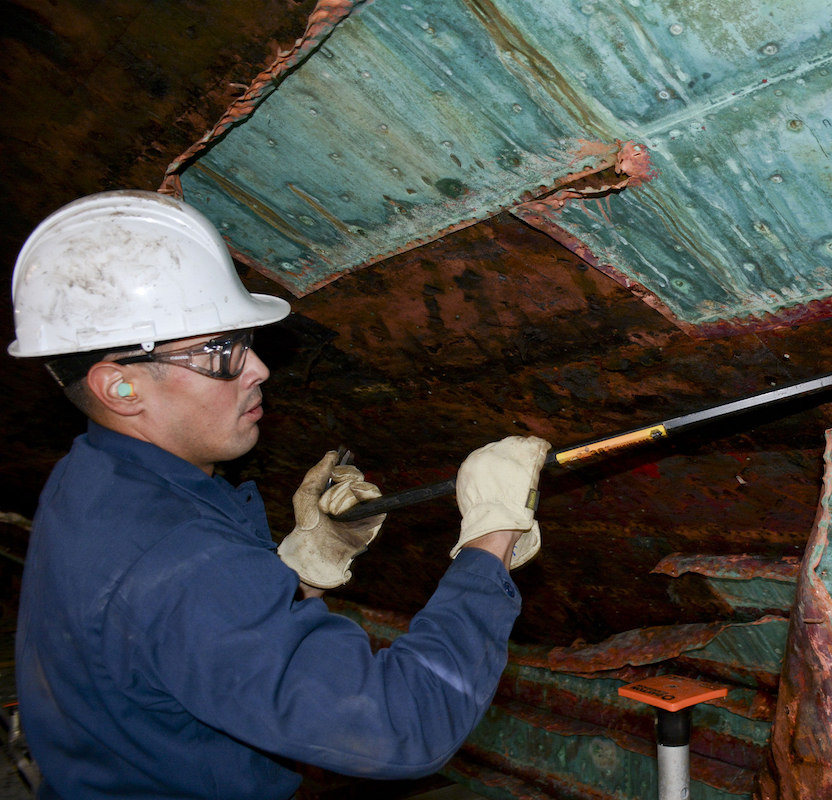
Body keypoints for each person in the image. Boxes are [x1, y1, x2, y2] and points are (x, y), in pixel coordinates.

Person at [8, 190, 551, 799]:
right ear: (121, 387)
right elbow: (401, 726)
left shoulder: (91, 478)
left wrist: (305, 564)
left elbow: (178, 640)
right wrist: (491, 534)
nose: (258, 368)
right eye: (221, 352)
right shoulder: (176, 559)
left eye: (244, 341)